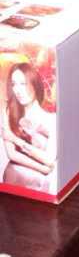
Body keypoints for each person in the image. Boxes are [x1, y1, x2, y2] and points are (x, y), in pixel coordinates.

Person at [2, 62, 57, 191]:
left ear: (35, 84)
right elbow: (11, 154)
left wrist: (14, 139)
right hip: (14, 176)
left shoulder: (51, 118)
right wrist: (42, 168)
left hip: (39, 182)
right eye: (14, 84)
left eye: (23, 84)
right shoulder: (9, 110)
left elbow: (49, 159)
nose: (18, 90)